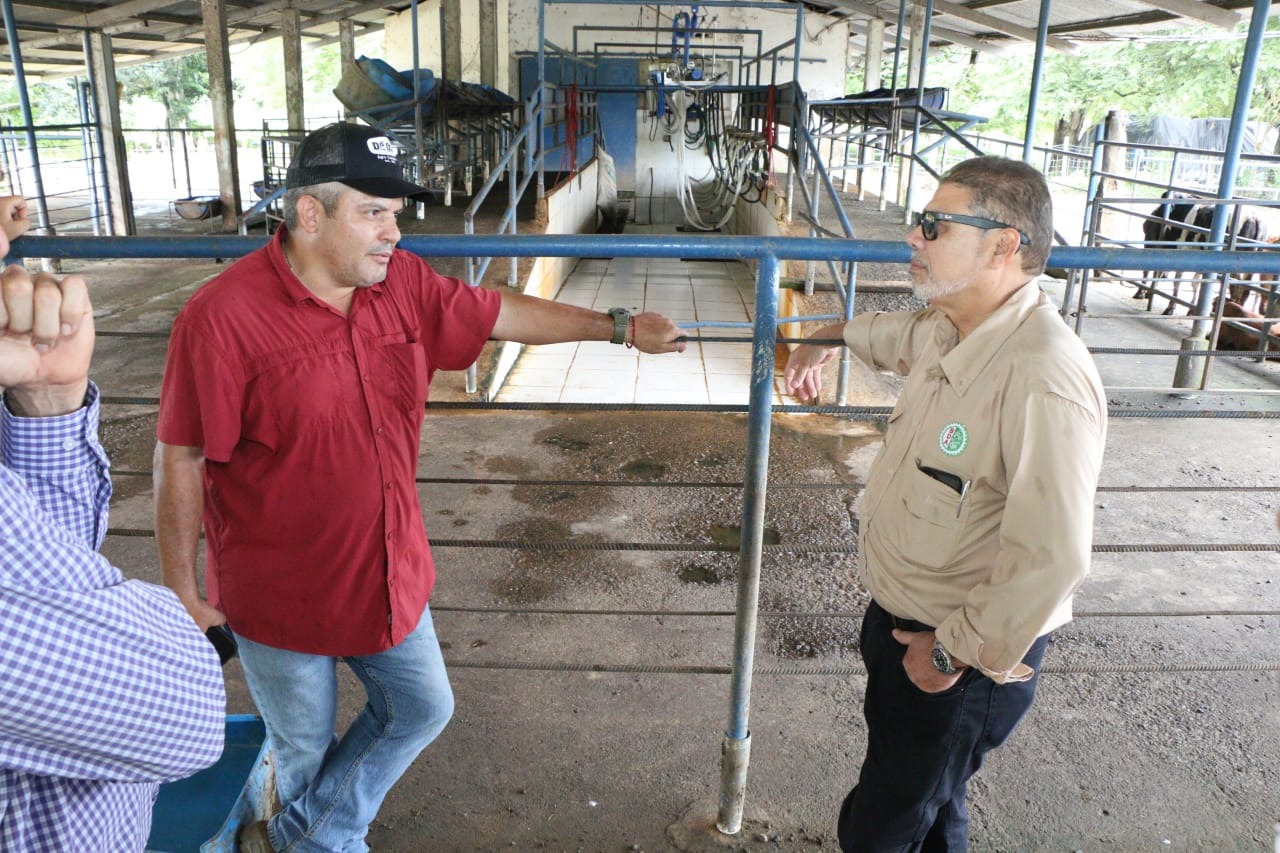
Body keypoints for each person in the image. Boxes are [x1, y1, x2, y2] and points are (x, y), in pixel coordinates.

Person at [153, 121, 687, 853]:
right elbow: (181, 453)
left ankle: (291, 838)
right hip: (279, 589)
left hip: (387, 568)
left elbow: (498, 313)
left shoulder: (400, 283)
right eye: (374, 212)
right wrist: (181, 583)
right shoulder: (221, 319)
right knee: (301, 750)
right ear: (310, 215)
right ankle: (313, 839)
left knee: (422, 705)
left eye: (396, 214)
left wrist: (618, 325)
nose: (394, 232)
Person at [784, 156, 1107, 852]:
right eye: (917, 223)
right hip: (905, 629)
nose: (914, 237)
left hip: (956, 657)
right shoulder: (951, 326)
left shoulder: (1042, 372)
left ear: (1003, 245)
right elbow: (887, 335)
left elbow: (1052, 554)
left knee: (883, 826)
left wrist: (949, 653)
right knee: (930, 809)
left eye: (934, 225)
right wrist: (823, 336)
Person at [0, 197, 226, 851]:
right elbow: (181, 712)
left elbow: (56, 554)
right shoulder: (220, 311)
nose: (13, 216)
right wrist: (176, 602)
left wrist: (47, 401)